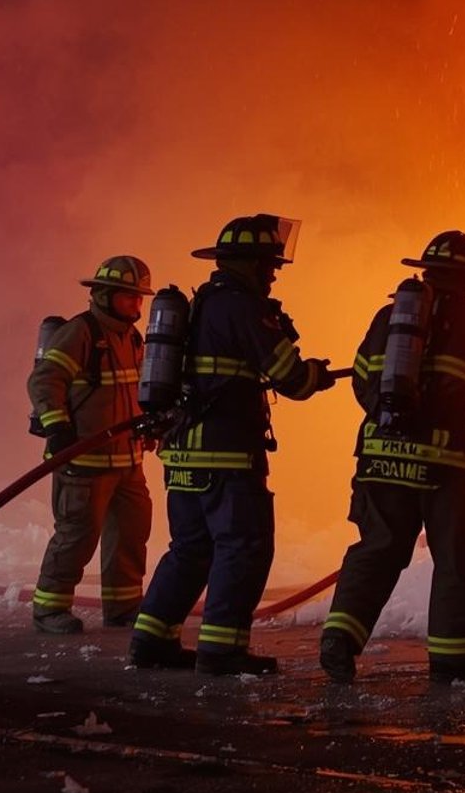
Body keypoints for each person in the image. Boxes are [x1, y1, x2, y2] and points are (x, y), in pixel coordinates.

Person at [317, 230, 465, 684]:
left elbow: (362, 381)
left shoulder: (388, 317)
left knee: (377, 551)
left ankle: (338, 639)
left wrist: (396, 419)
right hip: (443, 465)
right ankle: (451, 657)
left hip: (381, 459)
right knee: (455, 555)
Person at [128, 214, 336, 675]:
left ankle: (151, 640)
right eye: (269, 264)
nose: (273, 273)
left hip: (184, 453)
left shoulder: (202, 303)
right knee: (244, 547)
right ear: (249, 263)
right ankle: (222, 650)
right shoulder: (242, 307)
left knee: (190, 550)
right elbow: (291, 377)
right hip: (226, 456)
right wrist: (316, 375)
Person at [24, 256, 154, 633]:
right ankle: (50, 609)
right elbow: (44, 380)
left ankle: (123, 606)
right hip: (85, 461)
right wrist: (58, 427)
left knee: (130, 535)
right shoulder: (80, 333)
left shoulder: (131, 337)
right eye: (129, 296)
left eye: (139, 297)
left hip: (127, 461)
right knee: (77, 536)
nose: (136, 304)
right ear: (105, 295)